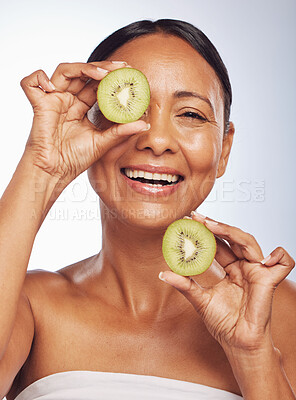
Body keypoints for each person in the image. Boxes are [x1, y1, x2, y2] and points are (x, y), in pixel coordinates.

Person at [0, 19, 295, 400]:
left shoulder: (278, 311)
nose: (157, 140)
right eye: (130, 106)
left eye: (190, 114)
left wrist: (252, 356)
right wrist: (42, 167)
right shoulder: (29, 306)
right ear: (85, 124)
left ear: (224, 150)